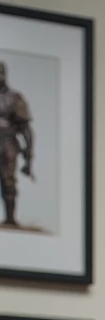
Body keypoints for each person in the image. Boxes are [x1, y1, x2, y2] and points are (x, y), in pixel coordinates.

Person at [0, 62, 32, 228]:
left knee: (8, 181)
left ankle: (10, 219)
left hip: (7, 142)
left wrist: (29, 154)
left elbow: (25, 128)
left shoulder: (14, 98)